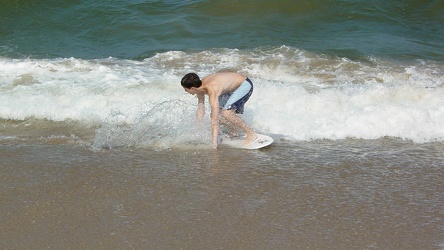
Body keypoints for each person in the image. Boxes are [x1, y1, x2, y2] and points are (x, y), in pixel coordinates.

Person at [181, 72, 257, 149]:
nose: (185, 91)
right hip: (229, 88)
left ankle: (251, 134)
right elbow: (200, 109)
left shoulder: (212, 89)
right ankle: (234, 130)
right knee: (216, 114)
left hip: (244, 84)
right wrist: (197, 129)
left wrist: (214, 144)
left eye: (186, 89)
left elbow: (215, 119)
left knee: (226, 114)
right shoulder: (199, 89)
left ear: (192, 88)